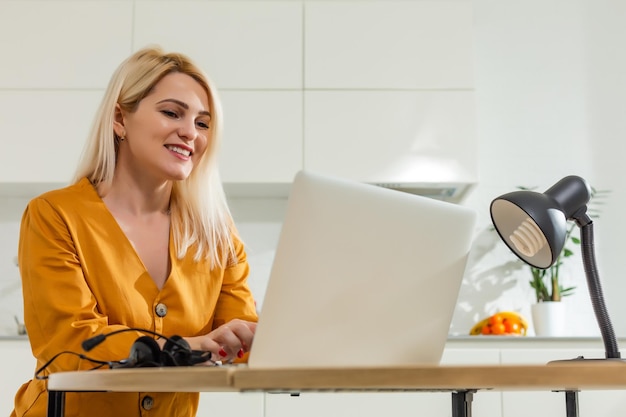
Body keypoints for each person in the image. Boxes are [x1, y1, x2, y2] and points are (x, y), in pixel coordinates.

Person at [11, 46, 258, 417]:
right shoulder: (55, 215)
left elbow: (243, 340)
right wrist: (188, 348)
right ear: (119, 119)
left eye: (203, 123)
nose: (190, 132)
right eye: (172, 113)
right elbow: (71, 344)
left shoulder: (216, 236)